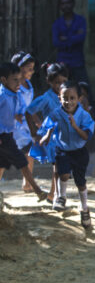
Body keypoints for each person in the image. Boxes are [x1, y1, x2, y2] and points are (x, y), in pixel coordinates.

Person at [39, 81, 95, 228]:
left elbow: (85, 136)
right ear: (59, 98)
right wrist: (47, 136)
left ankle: (84, 208)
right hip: (63, 149)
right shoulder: (57, 112)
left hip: (79, 152)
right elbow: (51, 123)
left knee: (80, 182)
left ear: (79, 99)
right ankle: (61, 197)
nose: (68, 102)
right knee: (62, 173)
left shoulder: (84, 116)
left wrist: (75, 126)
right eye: (65, 98)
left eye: (72, 98)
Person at [0, 62, 47, 201]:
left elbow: (23, 108)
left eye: (19, 79)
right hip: (3, 136)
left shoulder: (16, 94)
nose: (18, 83)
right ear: (3, 80)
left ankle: (31, 187)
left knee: (2, 164)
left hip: (9, 134)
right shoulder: (2, 95)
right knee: (22, 162)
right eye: (15, 79)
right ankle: (37, 189)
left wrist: (20, 115)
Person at [25, 62, 69, 203]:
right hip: (51, 138)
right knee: (58, 167)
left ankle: (52, 194)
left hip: (64, 137)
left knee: (60, 168)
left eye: (64, 81)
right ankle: (55, 195)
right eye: (57, 82)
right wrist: (34, 132)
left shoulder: (68, 95)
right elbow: (29, 111)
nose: (60, 85)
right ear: (49, 82)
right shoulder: (46, 98)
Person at [11, 51, 36, 192]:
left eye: (32, 67)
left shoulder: (28, 85)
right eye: (29, 68)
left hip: (23, 126)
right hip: (10, 126)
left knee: (30, 152)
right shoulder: (10, 86)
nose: (32, 70)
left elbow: (29, 107)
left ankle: (27, 183)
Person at [78, 82, 95, 176]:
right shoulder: (71, 112)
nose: (82, 98)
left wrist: (86, 108)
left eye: (84, 95)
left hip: (90, 146)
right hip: (76, 147)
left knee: (89, 172)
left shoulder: (90, 110)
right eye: (80, 95)